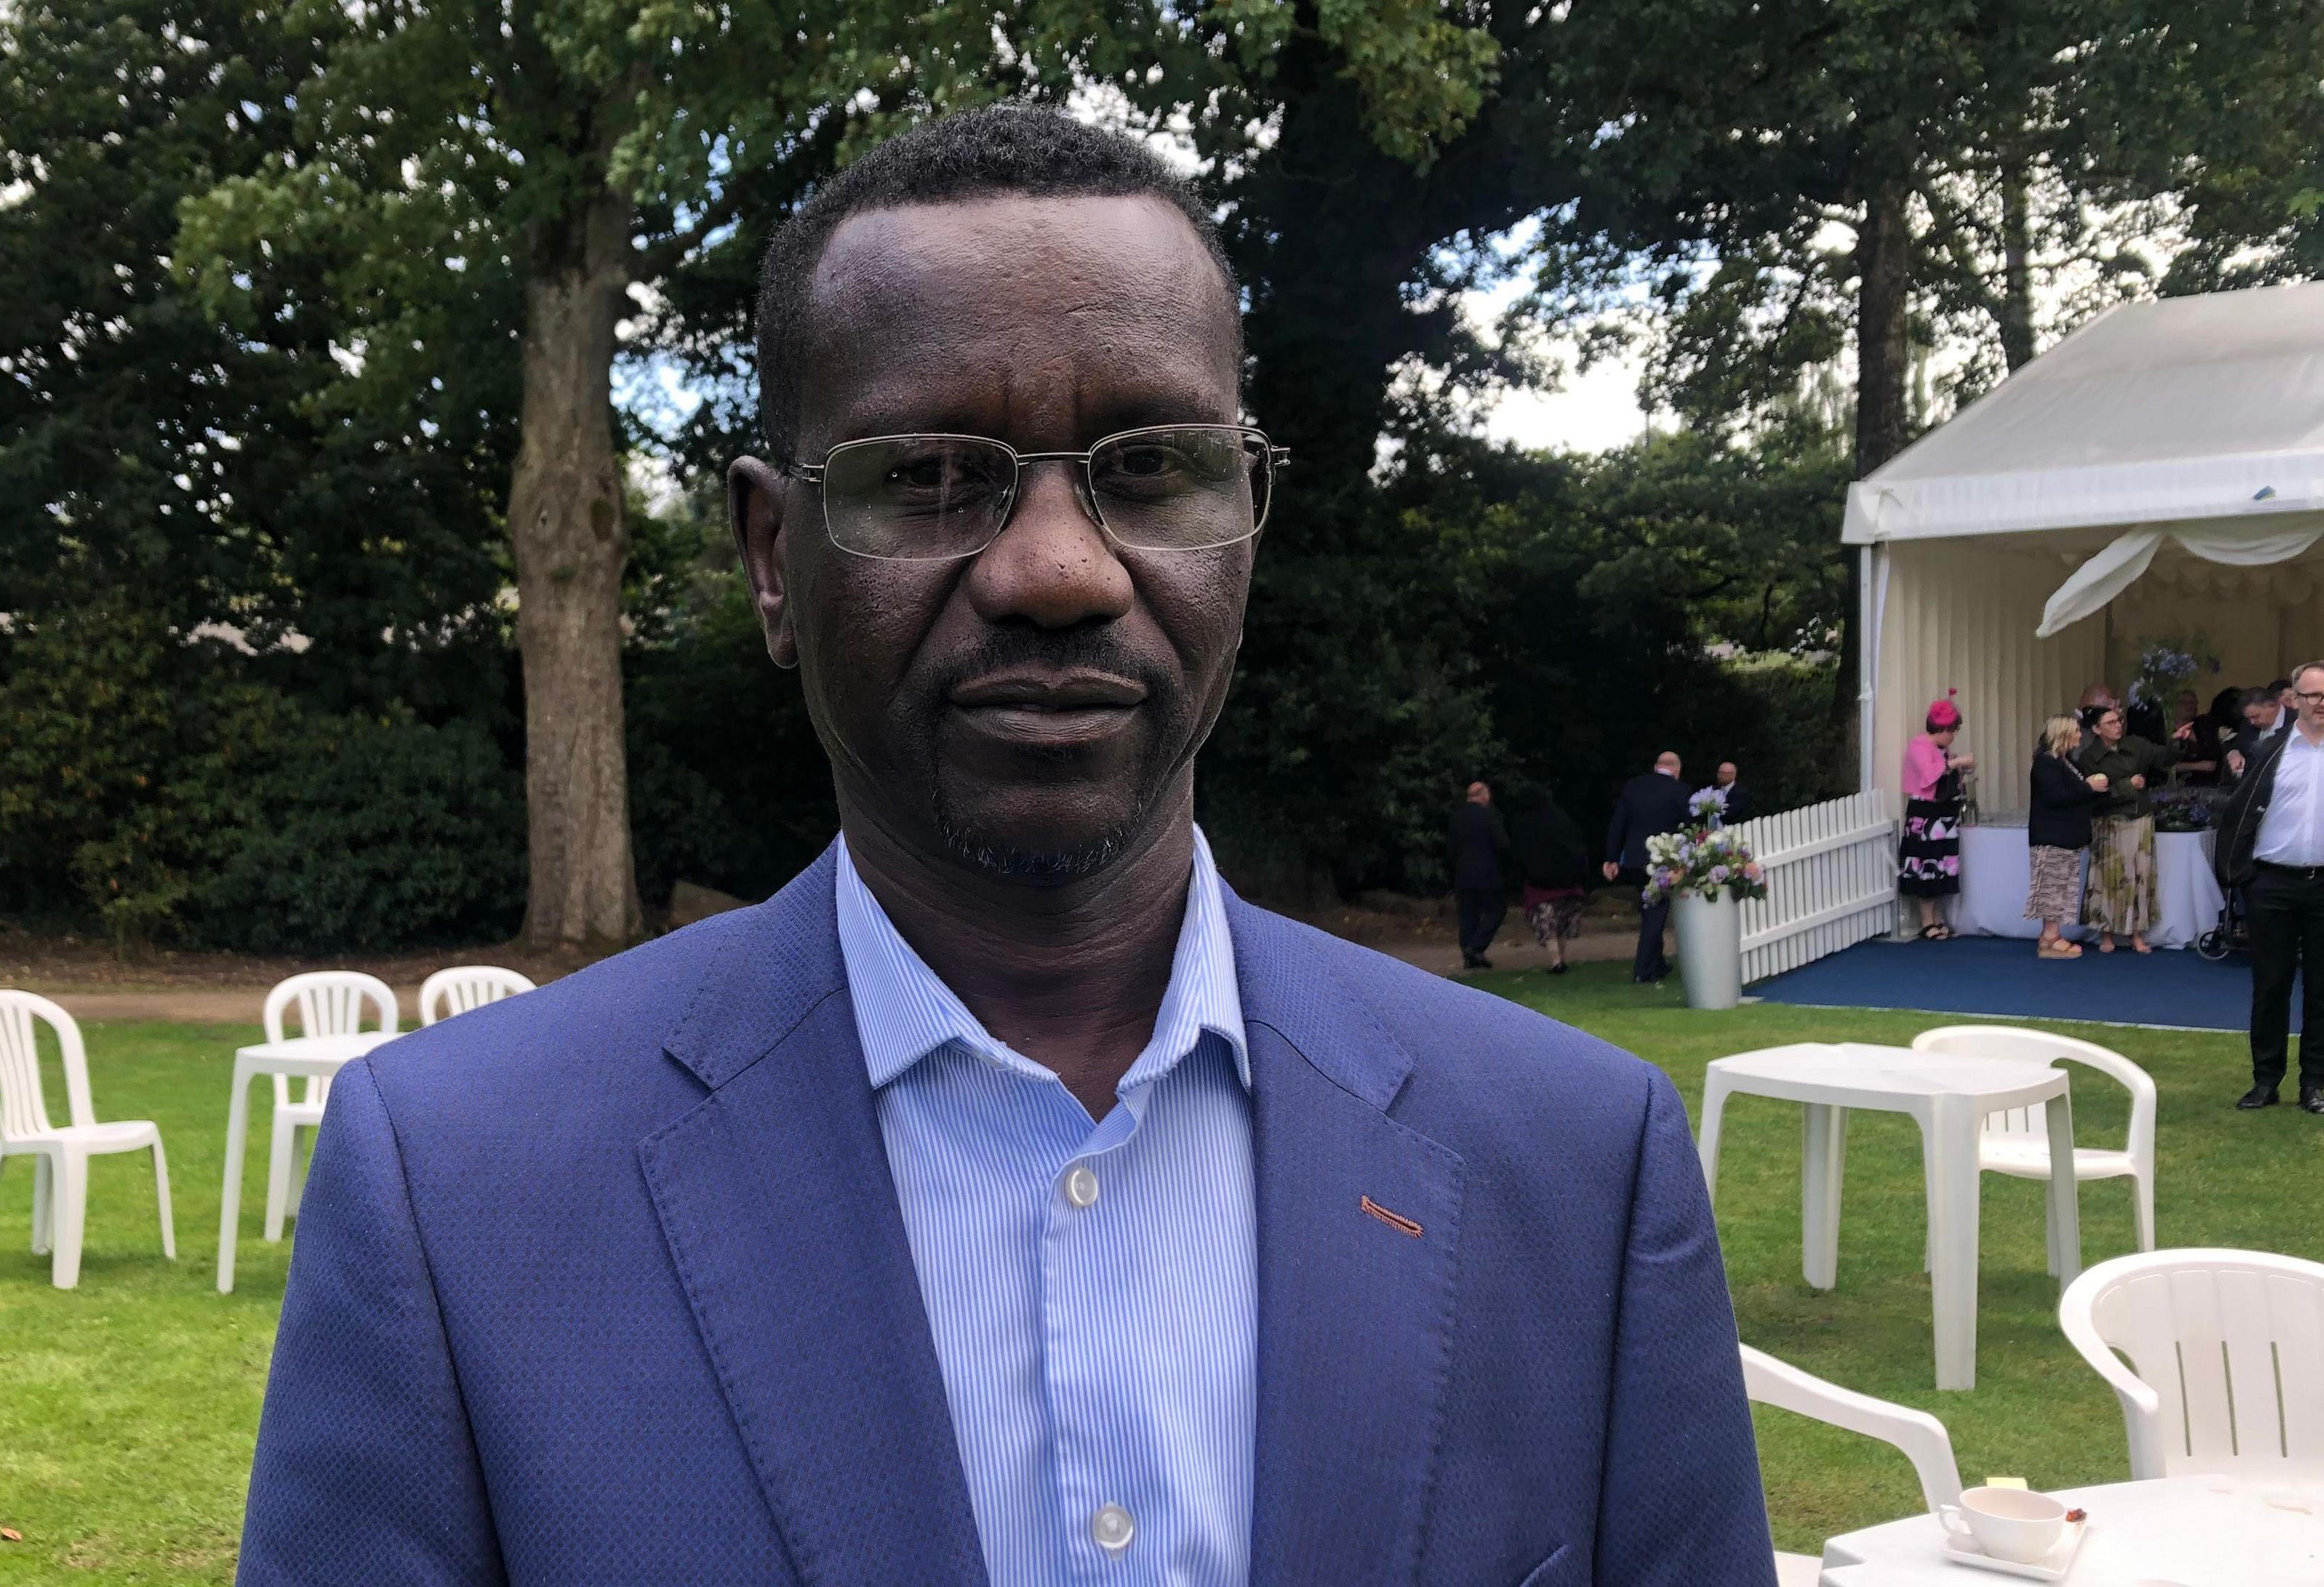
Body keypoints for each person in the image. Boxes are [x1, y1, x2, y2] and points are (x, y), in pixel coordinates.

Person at [234, 106, 1775, 1585]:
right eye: (932, 475)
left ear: (1248, 521)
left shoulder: (1576, 1169)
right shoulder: (457, 1191)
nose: (1055, 570)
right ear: (774, 559)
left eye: (1154, 466)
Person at [2215, 661, 2324, 1113]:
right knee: (2271, 986)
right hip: (2271, 883)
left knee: (2321, 990)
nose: (2322, 704)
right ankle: (2266, 1080)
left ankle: (2315, 1084)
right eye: (2314, 695)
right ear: (2293, 699)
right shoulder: (2268, 751)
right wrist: (2242, 876)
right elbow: (2236, 813)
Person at [2077, 703, 2173, 954]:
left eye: (2119, 720)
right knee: (2108, 879)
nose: (2118, 725)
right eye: (2110, 722)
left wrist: (2177, 741)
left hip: (2139, 817)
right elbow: (2094, 796)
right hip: (2108, 821)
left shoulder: (2136, 745)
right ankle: (2106, 933)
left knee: (2140, 876)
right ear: (2097, 729)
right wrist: (2128, 786)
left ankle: (2137, 933)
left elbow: (2164, 758)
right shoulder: (2088, 758)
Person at [1606, 751, 1695, 982]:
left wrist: (1612, 858)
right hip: (1662, 860)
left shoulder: (1634, 787)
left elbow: (1619, 822)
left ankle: (1657, 964)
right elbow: (1689, 826)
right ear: (1677, 769)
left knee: (1650, 911)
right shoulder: (1681, 791)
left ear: (1656, 766)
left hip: (1635, 859)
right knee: (1655, 914)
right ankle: (1643, 970)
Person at [2027, 714, 2107, 960]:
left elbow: (2076, 793)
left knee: (2063, 888)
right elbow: (2056, 797)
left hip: (2068, 836)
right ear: (2062, 734)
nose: (2080, 735)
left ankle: (2052, 934)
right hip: (2052, 835)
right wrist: (2088, 788)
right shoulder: (2046, 762)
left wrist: (2094, 789)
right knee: (2051, 887)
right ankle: (2050, 936)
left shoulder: (2067, 762)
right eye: (2075, 731)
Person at [1899, 697, 1972, 939]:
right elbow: (1930, 775)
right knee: (1927, 864)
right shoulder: (1919, 745)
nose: (1953, 736)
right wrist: (1956, 762)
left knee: (1942, 864)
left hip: (1944, 813)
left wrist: (1957, 767)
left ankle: (1938, 917)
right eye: (1951, 731)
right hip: (1925, 814)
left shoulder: (1943, 750)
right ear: (1941, 729)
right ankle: (1926, 921)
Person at [1513, 786, 1593, 976]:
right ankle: (1561, 959)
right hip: (1568, 883)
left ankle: (1555, 961)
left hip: (1539, 884)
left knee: (1547, 924)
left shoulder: (1524, 823)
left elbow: (1519, 853)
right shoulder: (1560, 817)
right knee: (1563, 922)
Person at [1448, 779, 1510, 970]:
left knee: (1468, 916)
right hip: (1487, 873)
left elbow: (1451, 848)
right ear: (1484, 796)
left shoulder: (1457, 818)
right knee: (1496, 910)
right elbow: (1503, 844)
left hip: (1463, 875)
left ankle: (1469, 955)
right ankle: (1476, 948)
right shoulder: (1490, 816)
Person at [2228, 685, 2287, 775]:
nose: (2252, 722)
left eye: (2256, 716)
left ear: (2272, 706)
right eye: (2249, 718)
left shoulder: (2297, 722)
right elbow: (2237, 746)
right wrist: (2234, 754)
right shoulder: (2248, 725)